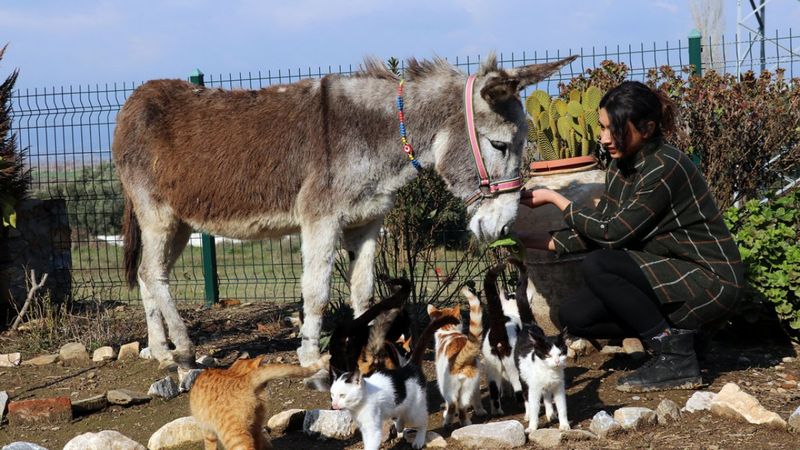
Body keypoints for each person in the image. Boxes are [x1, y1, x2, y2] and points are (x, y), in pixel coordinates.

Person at [518, 81, 744, 392]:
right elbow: (599, 226)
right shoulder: (620, 165)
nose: (604, 138)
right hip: (669, 269)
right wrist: (525, 240)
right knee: (574, 315)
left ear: (648, 128)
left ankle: (674, 356)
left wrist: (557, 199)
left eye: (615, 130)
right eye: (602, 128)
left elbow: (612, 235)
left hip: (709, 278)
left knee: (599, 265)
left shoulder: (665, 166)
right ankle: (684, 340)